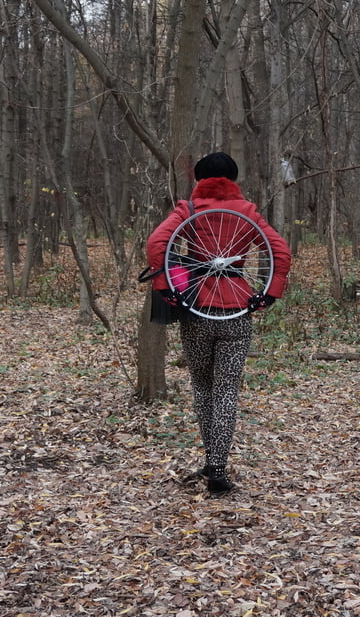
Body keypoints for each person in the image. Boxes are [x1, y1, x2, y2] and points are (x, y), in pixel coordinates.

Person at [145, 152, 292, 496]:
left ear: (199, 178)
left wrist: (166, 288)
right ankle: (217, 467)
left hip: (197, 309)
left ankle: (213, 461)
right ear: (233, 179)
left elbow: (157, 243)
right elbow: (280, 252)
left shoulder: (190, 210)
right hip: (239, 310)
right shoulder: (247, 213)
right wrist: (269, 293)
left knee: (202, 386)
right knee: (226, 390)